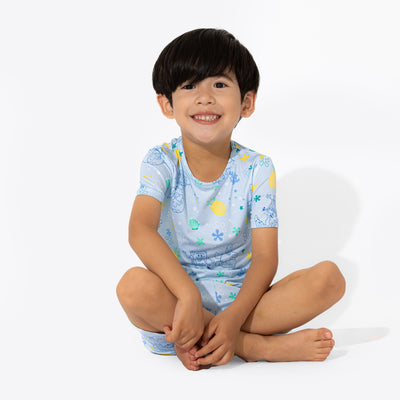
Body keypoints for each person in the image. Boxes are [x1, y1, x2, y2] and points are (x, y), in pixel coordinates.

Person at [116, 28, 346, 371]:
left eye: (220, 84)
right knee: (132, 287)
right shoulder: (160, 161)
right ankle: (254, 347)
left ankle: (219, 337)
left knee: (330, 278)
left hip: (245, 307)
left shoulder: (257, 168)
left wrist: (234, 316)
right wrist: (188, 296)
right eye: (189, 86)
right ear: (166, 104)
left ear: (246, 103)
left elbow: (265, 258)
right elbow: (140, 231)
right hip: (175, 307)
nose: (205, 98)